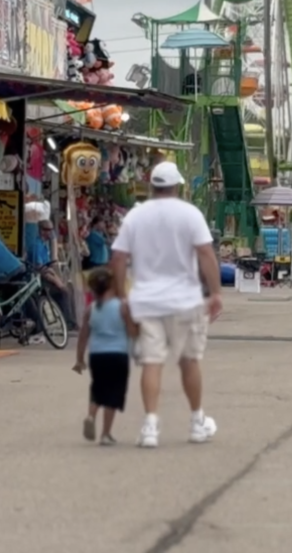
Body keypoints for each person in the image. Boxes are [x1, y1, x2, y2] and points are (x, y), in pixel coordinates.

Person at [111, 161, 224, 448]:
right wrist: (215, 293)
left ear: (151, 185)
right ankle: (197, 422)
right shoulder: (190, 214)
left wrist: (122, 297)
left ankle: (150, 426)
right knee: (189, 361)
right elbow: (206, 254)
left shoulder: (135, 216)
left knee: (152, 362)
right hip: (185, 301)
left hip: (146, 301)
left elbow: (119, 258)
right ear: (177, 186)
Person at [72, 268, 130, 446]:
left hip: (97, 355)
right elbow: (132, 330)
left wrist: (80, 359)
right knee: (113, 394)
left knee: (98, 389)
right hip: (118, 354)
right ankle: (106, 433)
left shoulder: (91, 309)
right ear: (112, 286)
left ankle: (91, 415)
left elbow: (83, 336)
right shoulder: (122, 307)